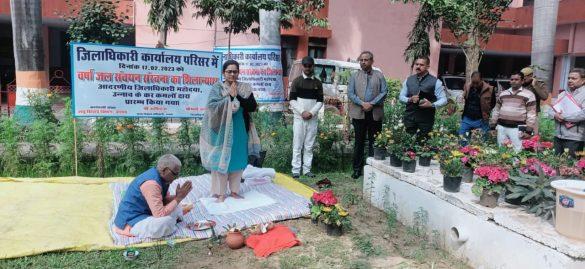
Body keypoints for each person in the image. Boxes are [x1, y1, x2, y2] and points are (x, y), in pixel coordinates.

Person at [200, 59, 259, 203]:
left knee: (238, 160)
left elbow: (252, 106)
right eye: (229, 71)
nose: (232, 74)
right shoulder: (217, 88)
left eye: (235, 71)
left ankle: (234, 191)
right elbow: (212, 107)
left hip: (240, 129)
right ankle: (220, 193)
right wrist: (229, 98)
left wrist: (236, 95)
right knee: (221, 160)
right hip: (221, 130)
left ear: (238, 72)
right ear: (223, 73)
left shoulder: (244, 88)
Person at [113, 154, 193, 238]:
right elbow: (159, 214)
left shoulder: (163, 178)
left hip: (147, 212)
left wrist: (177, 196)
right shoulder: (151, 184)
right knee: (166, 222)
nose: (177, 177)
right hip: (131, 220)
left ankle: (173, 221)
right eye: (175, 174)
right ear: (165, 170)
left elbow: (162, 200)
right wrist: (178, 198)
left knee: (177, 206)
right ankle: (172, 223)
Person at [348, 51, 388, 179]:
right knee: (358, 143)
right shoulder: (354, 76)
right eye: (361, 60)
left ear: (371, 61)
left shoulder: (379, 75)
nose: (363, 62)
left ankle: (372, 169)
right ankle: (357, 169)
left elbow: (384, 92)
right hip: (359, 114)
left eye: (366, 60)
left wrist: (372, 103)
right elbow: (351, 93)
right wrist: (362, 103)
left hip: (374, 114)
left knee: (374, 142)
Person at [289, 56, 323, 178]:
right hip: (299, 118)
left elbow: (320, 101)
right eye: (305, 65)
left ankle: (307, 170)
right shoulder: (296, 81)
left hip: (312, 119)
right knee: (297, 144)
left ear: (313, 66)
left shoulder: (318, 83)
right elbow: (292, 100)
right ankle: (296, 170)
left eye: (310, 65)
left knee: (309, 145)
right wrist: (302, 112)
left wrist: (311, 113)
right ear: (302, 66)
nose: (308, 68)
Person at [399, 56, 447, 140]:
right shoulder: (409, 80)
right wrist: (409, 99)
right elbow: (401, 97)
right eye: (416, 64)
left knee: (423, 145)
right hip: (409, 117)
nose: (418, 66)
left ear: (427, 66)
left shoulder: (436, 82)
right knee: (407, 144)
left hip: (426, 119)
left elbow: (444, 100)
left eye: (421, 65)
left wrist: (432, 104)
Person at [489, 72, 537, 152]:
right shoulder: (503, 94)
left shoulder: (529, 95)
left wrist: (529, 130)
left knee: (517, 152)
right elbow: (496, 110)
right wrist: (493, 126)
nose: (513, 81)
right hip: (501, 127)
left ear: (522, 81)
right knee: (501, 150)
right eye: (512, 79)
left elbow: (531, 114)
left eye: (516, 79)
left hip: (517, 128)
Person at [548, 68, 585, 157]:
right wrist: (555, 115)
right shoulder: (563, 94)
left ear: (583, 80)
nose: (570, 80)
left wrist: (563, 116)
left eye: (574, 78)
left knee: (570, 167)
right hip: (558, 136)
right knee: (555, 165)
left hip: (575, 138)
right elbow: (550, 110)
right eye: (568, 78)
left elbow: (583, 114)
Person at [459, 71, 496, 144]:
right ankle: (463, 153)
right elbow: (465, 99)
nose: (475, 85)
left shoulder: (490, 89)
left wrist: (486, 112)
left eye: (477, 83)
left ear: (482, 80)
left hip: (481, 120)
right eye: (473, 82)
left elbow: (493, 103)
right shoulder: (467, 86)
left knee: (482, 142)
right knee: (462, 139)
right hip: (467, 118)